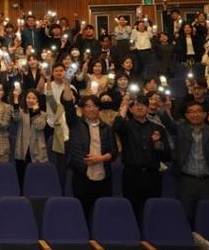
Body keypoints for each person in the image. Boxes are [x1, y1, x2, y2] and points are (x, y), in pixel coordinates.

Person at [159, 101, 209, 223]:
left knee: (208, 217)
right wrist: (163, 108)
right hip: (186, 182)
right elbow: (168, 122)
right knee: (185, 216)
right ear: (186, 115)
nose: (195, 114)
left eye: (198, 111)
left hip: (208, 182)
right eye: (191, 112)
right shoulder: (181, 129)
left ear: (205, 114)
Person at [62, 88, 117, 221]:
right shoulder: (75, 124)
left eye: (94, 106)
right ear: (82, 109)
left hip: (103, 177)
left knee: (103, 216)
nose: (91, 109)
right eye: (87, 106)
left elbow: (114, 152)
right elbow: (68, 104)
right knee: (82, 215)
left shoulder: (107, 128)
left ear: (99, 108)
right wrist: (67, 82)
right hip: (82, 176)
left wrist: (100, 158)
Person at [114, 94, 171, 220]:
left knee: (152, 213)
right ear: (130, 109)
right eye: (135, 105)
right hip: (131, 175)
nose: (139, 107)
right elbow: (116, 126)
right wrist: (125, 105)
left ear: (148, 107)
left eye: (143, 105)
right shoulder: (126, 127)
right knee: (131, 212)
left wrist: (157, 143)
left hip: (152, 176)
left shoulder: (158, 128)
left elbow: (167, 155)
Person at [13, 88, 48, 188]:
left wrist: (35, 113)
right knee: (21, 179)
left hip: (37, 150)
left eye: (33, 98)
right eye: (28, 98)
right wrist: (16, 97)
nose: (30, 100)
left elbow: (39, 126)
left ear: (38, 100)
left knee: (36, 181)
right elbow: (15, 117)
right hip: (22, 150)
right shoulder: (21, 112)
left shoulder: (43, 114)